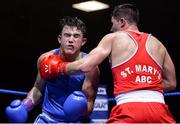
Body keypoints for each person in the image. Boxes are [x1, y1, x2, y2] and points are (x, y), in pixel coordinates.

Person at [39, 3, 177, 123]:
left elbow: (85, 65)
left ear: (122, 21)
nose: (111, 28)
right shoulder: (158, 44)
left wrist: (58, 68)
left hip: (128, 109)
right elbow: (171, 83)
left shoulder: (114, 38)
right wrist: (143, 83)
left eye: (113, 23)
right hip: (160, 109)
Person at [5, 16, 100, 123]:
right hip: (48, 119)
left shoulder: (90, 67)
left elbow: (89, 103)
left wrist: (79, 109)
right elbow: (38, 89)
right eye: (67, 35)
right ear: (60, 39)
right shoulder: (45, 59)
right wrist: (25, 106)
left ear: (83, 41)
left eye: (76, 36)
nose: (71, 40)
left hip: (76, 121)